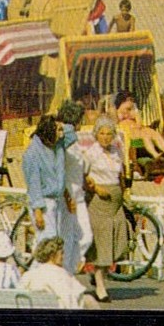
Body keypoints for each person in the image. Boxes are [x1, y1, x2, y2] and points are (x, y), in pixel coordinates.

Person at [80, 117, 131, 301]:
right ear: (96, 134)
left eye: (109, 133)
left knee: (117, 241)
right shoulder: (91, 153)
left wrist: (124, 192)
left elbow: (121, 173)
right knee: (102, 244)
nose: (105, 137)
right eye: (102, 133)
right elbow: (82, 176)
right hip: (99, 202)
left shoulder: (117, 151)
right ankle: (101, 286)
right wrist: (96, 188)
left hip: (115, 203)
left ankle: (98, 276)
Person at [56, 99, 95, 273]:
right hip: (68, 198)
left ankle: (68, 270)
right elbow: (59, 170)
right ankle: (65, 272)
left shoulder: (73, 142)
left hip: (77, 196)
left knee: (83, 237)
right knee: (71, 237)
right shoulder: (65, 141)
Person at [22, 115, 70, 243]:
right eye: (58, 130)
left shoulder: (57, 146)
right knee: (47, 241)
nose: (62, 133)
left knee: (59, 241)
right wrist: (37, 211)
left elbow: (72, 135)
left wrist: (61, 125)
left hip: (58, 201)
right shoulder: (32, 153)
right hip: (44, 202)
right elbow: (34, 183)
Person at [20, 236, 90, 308]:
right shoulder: (61, 275)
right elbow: (70, 300)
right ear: (52, 255)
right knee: (89, 300)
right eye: (61, 253)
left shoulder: (30, 274)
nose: (64, 256)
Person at [114, 90, 164, 160]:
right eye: (129, 100)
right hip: (128, 132)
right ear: (122, 102)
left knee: (155, 134)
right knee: (146, 136)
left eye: (132, 100)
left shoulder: (132, 112)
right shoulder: (116, 113)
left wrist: (136, 115)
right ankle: (155, 154)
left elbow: (139, 124)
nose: (131, 103)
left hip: (138, 129)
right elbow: (115, 125)